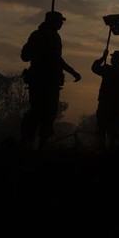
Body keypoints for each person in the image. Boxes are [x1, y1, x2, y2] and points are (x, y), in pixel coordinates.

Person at [19, 10, 82, 149]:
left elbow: (25, 56)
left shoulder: (46, 35)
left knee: (44, 113)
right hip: (44, 81)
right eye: (59, 21)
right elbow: (55, 59)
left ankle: (33, 143)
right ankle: (30, 142)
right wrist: (73, 72)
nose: (61, 24)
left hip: (45, 81)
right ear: (51, 21)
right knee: (42, 113)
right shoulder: (45, 36)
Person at [92, 49, 119, 150]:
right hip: (117, 105)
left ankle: (102, 150)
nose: (111, 59)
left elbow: (94, 68)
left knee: (102, 129)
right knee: (114, 130)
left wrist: (102, 58)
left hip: (106, 104)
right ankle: (112, 150)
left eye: (113, 57)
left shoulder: (107, 70)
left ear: (116, 59)